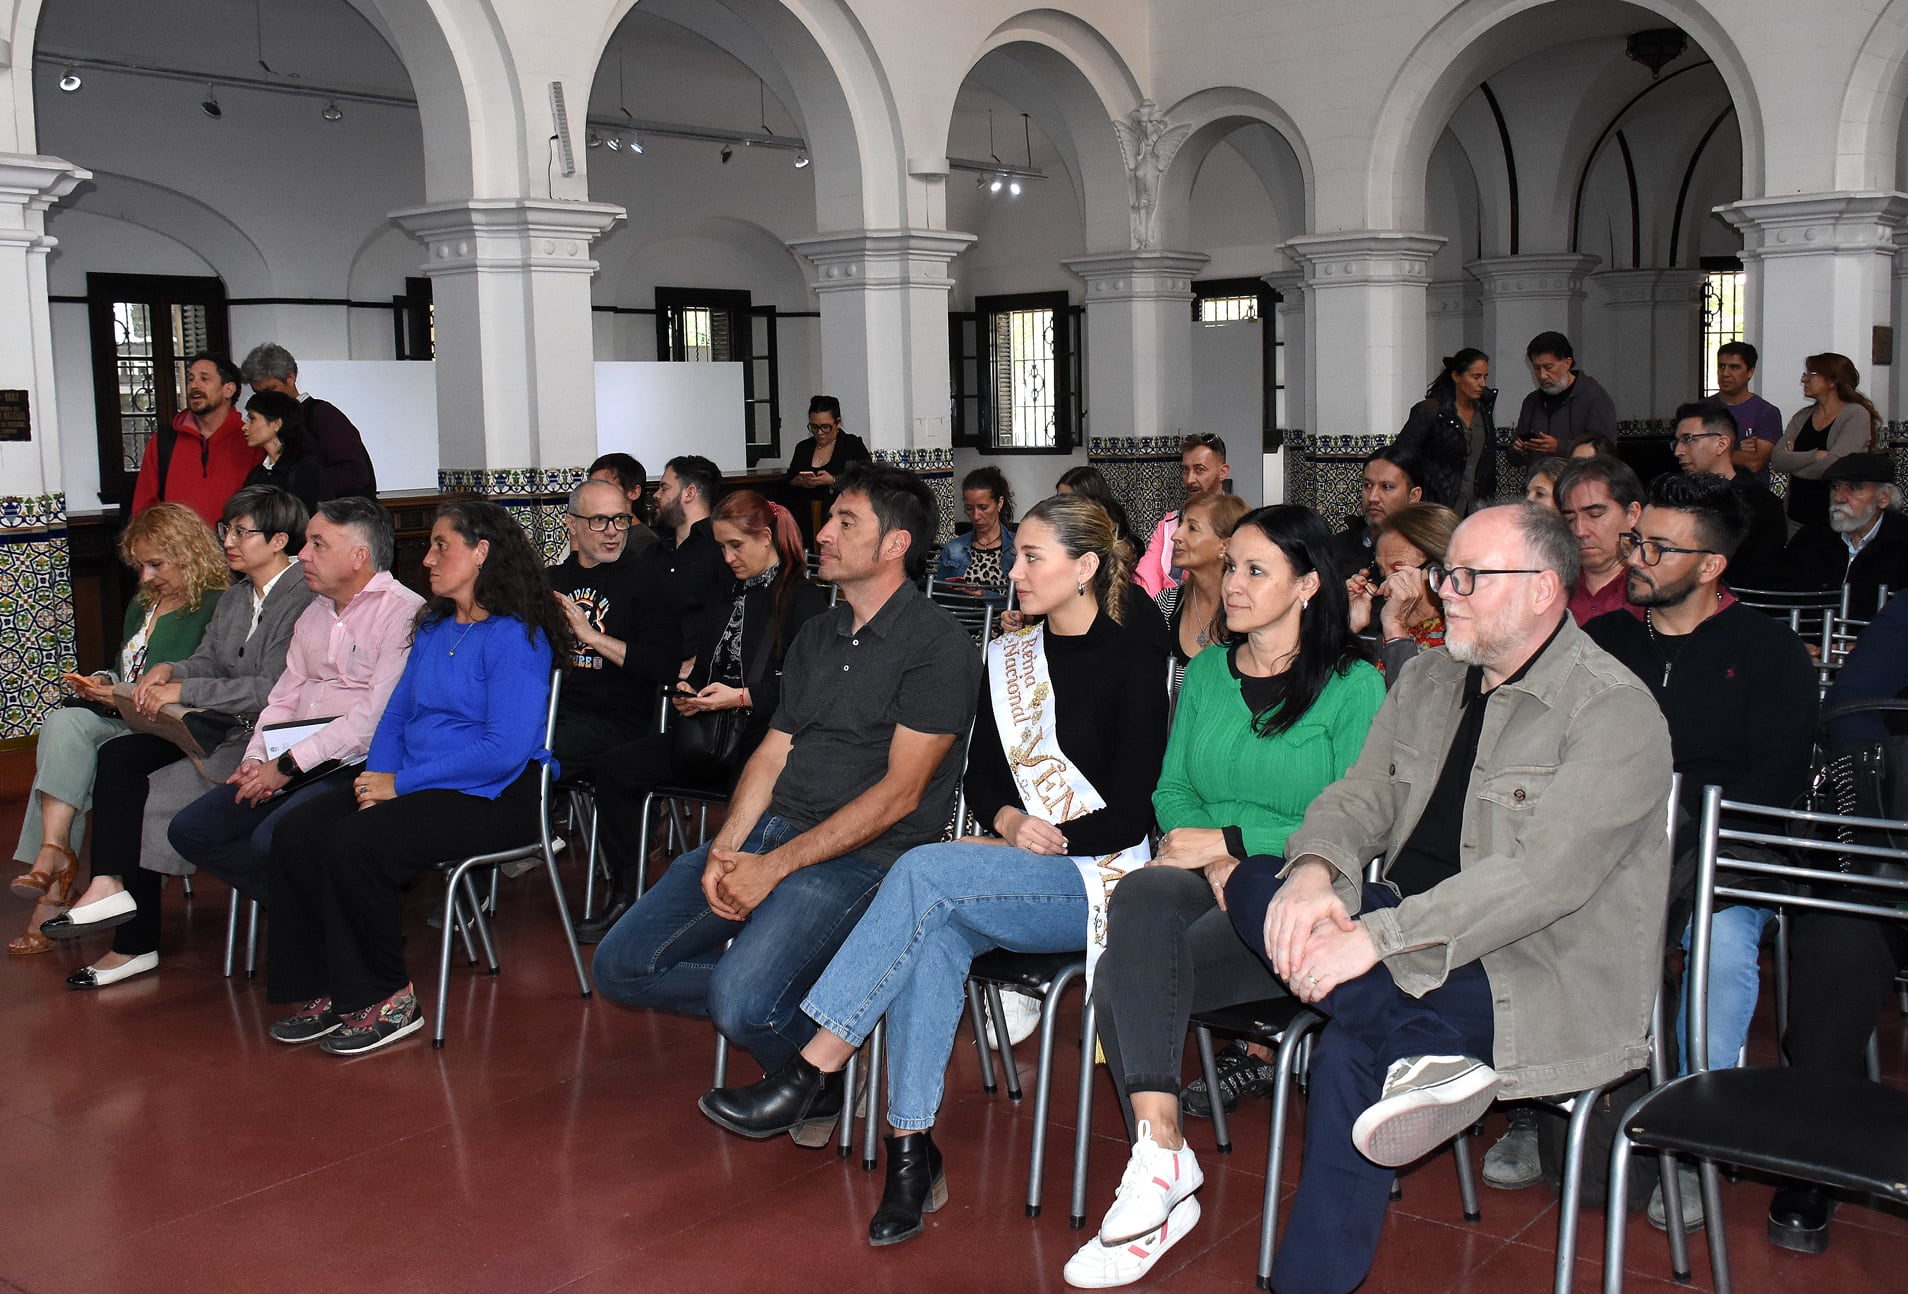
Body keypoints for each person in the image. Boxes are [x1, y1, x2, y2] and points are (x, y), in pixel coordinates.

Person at [1206, 503, 1672, 1294]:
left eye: (1466, 577)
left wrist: (1376, 939)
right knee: (1260, 878)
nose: (1442, 591)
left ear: (1543, 590)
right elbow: (1359, 797)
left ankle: (1307, 1280)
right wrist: (1319, 870)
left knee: (1350, 1051)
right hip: (1407, 936)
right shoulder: (1428, 675)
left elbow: (1542, 880)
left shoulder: (1612, 711)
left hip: (1529, 968)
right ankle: (1419, 1044)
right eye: (1442, 572)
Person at [698, 495, 1167, 1247]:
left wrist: (1025, 842)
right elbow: (978, 779)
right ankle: (911, 1153)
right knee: (934, 933)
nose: (1013, 571)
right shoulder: (1010, 658)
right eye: (1015, 554)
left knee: (924, 874)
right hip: (1009, 865)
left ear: (1084, 569)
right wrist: (1009, 821)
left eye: (1032, 558)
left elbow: (1132, 813)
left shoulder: (1134, 663)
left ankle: (811, 1072)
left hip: (1099, 880)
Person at [1061, 506, 1387, 1288]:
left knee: (1122, 980)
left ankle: (1161, 1178)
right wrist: (1209, 858)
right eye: (1229, 566)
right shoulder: (1208, 672)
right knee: (1139, 899)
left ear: (1309, 585)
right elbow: (1172, 788)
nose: (1229, 586)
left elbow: (1351, 818)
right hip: (1200, 882)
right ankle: (1163, 1152)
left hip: (1299, 903)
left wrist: (1233, 846)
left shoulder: (1356, 686)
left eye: (1254, 570)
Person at [592, 464, 982, 1083]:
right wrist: (726, 848)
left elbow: (901, 794)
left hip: (865, 859)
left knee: (739, 1002)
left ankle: (815, 1074)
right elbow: (773, 752)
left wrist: (774, 867)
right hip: (772, 831)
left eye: (845, 522)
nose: (822, 533)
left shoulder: (936, 647)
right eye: (829, 518)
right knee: (620, 966)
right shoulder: (818, 635)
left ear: (895, 545)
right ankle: (827, 1015)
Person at [1581, 470, 1817, 1229]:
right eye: (1636, 540)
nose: (1636, 557)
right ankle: (1544, 1109)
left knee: (1716, 954)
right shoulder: (1605, 642)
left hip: (1726, 855)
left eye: (1656, 546)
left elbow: (1773, 785)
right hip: (1610, 847)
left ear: (1712, 565)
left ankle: (1695, 1142)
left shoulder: (1769, 653)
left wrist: (1682, 853)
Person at [261, 500, 568, 1055]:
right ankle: (328, 988)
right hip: (418, 783)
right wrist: (375, 776)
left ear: (481, 552)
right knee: (297, 832)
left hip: (492, 796)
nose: (426, 558)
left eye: (440, 546)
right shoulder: (432, 627)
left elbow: (502, 750)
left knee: (357, 844)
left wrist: (399, 786)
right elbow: (396, 713)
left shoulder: (516, 637)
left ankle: (387, 1001)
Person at [38, 488, 315, 986]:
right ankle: (110, 894)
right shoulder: (236, 597)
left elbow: (272, 688)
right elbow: (207, 658)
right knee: (121, 756)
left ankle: (133, 940)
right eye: (225, 529)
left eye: (241, 531)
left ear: (278, 540)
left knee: (147, 791)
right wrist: (169, 667)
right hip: (223, 730)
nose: (228, 540)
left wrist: (183, 686)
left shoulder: (304, 596)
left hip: (268, 742)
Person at [576, 490, 831, 942]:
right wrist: (689, 692)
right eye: (722, 547)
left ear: (766, 538)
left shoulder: (802, 598)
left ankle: (733, 910)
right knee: (614, 768)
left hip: (764, 740)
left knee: (750, 793)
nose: (727, 557)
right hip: (709, 731)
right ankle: (624, 894)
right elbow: (707, 666)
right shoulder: (726, 592)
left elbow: (802, 691)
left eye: (736, 546)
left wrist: (736, 699)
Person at [169, 497, 424, 905]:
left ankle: (318, 917)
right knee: (191, 829)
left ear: (358, 557)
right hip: (290, 757)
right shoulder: (314, 612)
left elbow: (371, 720)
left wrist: (287, 765)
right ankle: (310, 910)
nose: (302, 554)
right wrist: (255, 759)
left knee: (275, 839)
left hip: (356, 764)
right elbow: (282, 698)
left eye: (318, 544)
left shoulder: (403, 613)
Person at [7, 504, 226, 956]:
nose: (145, 577)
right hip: (124, 714)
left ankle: (53, 882)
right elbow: (126, 667)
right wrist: (105, 683)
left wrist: (125, 694)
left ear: (189, 553)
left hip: (164, 726)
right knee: (63, 721)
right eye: (140, 566)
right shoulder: (144, 603)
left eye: (155, 564)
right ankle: (55, 851)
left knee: (77, 752)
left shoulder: (218, 604)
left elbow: (203, 682)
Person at [1769, 587, 1908, 1254]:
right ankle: (1812, 1156)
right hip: (1895, 835)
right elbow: (1852, 706)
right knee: (1838, 926)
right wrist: (1882, 819)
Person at [546, 477, 681, 767]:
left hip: (616, 722)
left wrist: (591, 636)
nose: (612, 532)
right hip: (556, 709)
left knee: (537, 747)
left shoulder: (647, 579)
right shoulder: (552, 581)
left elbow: (665, 665)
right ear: (571, 524)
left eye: (620, 520)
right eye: (599, 520)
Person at [130, 353, 262, 525]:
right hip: (176, 549)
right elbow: (144, 509)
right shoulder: (163, 442)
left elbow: (262, 509)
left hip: (233, 548)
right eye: (191, 379)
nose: (194, 385)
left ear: (228, 390)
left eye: (204, 379)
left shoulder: (251, 440)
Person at [1669, 399, 1787, 589]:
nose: (1678, 451)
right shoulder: (1679, 497)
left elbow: (1760, 575)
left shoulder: (1760, 504)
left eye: (1688, 439)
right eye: (1677, 441)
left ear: (1721, 443)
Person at [241, 342, 378, 498]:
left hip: (336, 515)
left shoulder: (322, 414)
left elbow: (356, 472)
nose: (265, 399)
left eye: (271, 390)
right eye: (258, 394)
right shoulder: (263, 426)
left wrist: (299, 484)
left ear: (291, 378)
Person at [1779, 452, 1908, 618]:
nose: (1839, 498)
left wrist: (1868, 642)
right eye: (1835, 487)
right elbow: (1782, 598)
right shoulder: (1810, 539)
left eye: (1854, 488)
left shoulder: (1902, 542)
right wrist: (1800, 641)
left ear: (1883, 498)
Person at [1348, 502, 1460, 681]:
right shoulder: (1393, 633)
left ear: (1439, 572)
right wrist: (1350, 628)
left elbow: (1410, 704)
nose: (1386, 587)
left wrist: (1394, 628)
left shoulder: (1460, 645)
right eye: (1383, 574)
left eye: (1399, 572)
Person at [1773, 352, 1880, 529]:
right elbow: (1777, 460)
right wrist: (1815, 456)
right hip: (1796, 517)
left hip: (1838, 519)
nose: (1804, 379)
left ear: (1833, 381)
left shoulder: (1856, 415)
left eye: (1811, 374)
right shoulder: (1802, 416)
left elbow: (1836, 467)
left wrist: (1794, 460)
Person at [651, 454, 733, 664]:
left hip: (697, 671)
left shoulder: (720, 549)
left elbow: (731, 618)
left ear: (689, 493)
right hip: (653, 665)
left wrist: (700, 663)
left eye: (664, 488)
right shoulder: (657, 548)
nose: (656, 495)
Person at [1394, 350, 1498, 512]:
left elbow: (1487, 461)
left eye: (1485, 377)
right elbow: (1402, 455)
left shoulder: (1483, 412)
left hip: (1475, 507)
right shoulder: (1431, 410)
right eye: (1476, 377)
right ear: (1457, 377)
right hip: (1437, 506)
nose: (1482, 383)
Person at [1155, 492, 1249, 670]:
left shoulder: (1248, 611)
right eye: (1180, 525)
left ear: (1224, 546)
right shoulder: (1166, 603)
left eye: (1192, 528)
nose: (1175, 535)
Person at [1135, 434, 1231, 598]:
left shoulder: (1239, 523)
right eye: (1186, 470)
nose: (1190, 479)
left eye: (1199, 470)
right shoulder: (1169, 526)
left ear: (1222, 472)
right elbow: (1145, 582)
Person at [1554, 454, 1646, 625]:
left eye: (1595, 515)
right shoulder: (1553, 588)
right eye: (1570, 519)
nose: (1580, 531)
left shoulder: (1653, 586)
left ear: (1632, 514)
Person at [1510, 332, 1619, 467]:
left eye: (1548, 367)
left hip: (1577, 483)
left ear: (1567, 363)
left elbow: (1605, 453)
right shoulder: (1531, 402)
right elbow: (1515, 459)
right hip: (1540, 482)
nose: (1542, 375)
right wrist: (1518, 450)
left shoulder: (1594, 397)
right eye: (1536, 368)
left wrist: (1559, 448)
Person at [784, 395, 872, 544]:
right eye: (814, 427)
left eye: (825, 427)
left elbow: (867, 478)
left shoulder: (851, 445)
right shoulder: (803, 448)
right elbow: (788, 480)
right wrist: (799, 481)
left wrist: (833, 480)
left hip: (840, 520)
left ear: (837, 423)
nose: (819, 432)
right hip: (805, 518)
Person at [1331, 445, 1425, 582]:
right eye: (1367, 485)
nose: (1372, 497)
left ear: (1413, 496)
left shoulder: (1424, 552)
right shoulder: (1336, 550)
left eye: (1386, 487)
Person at [934, 465, 1017, 606]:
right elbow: (939, 597)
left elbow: (1021, 604)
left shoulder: (1017, 548)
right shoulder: (954, 549)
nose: (976, 516)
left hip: (1002, 625)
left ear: (999, 503)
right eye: (969, 508)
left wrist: (984, 594)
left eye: (983, 508)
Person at [240, 389, 331, 511]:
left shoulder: (307, 470)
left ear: (277, 424)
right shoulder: (256, 474)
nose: (244, 427)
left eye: (252, 418)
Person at [1715, 341, 1782, 484]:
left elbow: (1754, 463)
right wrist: (1738, 448)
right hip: (1705, 493)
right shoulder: (1700, 409)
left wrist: (1708, 451)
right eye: (1722, 366)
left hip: (1749, 496)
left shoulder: (1767, 412)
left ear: (1750, 372)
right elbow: (1688, 455)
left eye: (1734, 367)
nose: (1725, 373)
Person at [587, 452, 661, 560]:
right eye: (592, 487)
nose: (596, 494)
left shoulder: (644, 542)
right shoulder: (597, 533)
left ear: (633, 492)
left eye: (605, 487)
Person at [1056, 465, 1138, 556]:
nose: (1062, 504)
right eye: (1059, 498)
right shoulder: (1059, 521)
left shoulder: (1109, 527)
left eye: (1069, 499)